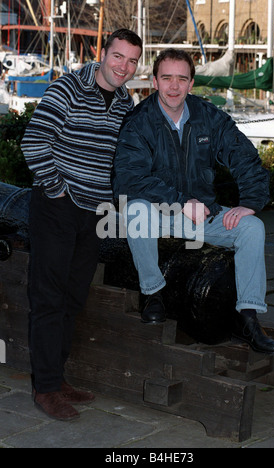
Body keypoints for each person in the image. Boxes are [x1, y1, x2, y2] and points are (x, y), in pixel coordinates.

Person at [113, 48, 274, 355]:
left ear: (191, 83)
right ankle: (153, 294)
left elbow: (244, 156)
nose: (174, 86)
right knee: (136, 210)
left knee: (252, 228)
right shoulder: (139, 122)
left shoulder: (209, 117)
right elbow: (128, 179)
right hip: (159, 213)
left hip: (202, 214)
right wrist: (180, 202)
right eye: (167, 78)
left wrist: (251, 202)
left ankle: (248, 316)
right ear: (154, 82)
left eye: (181, 79)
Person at [21, 29, 143, 421]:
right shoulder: (68, 88)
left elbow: (125, 158)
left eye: (132, 61)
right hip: (57, 207)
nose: (124, 66)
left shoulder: (126, 101)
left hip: (95, 213)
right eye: (118, 56)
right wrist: (56, 188)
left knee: (74, 299)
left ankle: (57, 379)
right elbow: (34, 140)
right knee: (49, 298)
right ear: (102, 53)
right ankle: (45, 388)